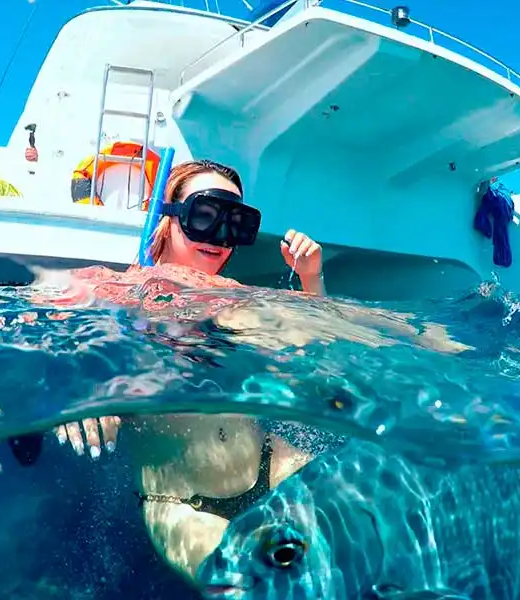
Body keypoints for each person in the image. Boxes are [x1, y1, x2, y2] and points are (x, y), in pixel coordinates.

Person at [52, 159, 322, 583]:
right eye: (205, 215)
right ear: (169, 217)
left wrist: (311, 280)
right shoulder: (107, 286)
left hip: (272, 462)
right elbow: (35, 336)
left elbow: (310, 352)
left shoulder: (235, 297)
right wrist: (81, 390)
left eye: (234, 223)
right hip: (184, 502)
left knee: (374, 524)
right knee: (247, 587)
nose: (219, 236)